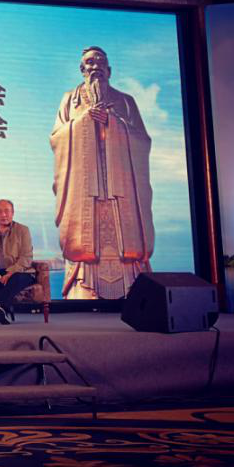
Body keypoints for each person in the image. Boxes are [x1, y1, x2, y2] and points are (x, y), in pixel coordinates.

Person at [50, 46, 154, 299]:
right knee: (86, 238)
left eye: (100, 62)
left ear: (109, 69)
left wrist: (112, 122)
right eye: (90, 62)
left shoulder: (126, 101)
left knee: (124, 239)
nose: (95, 66)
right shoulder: (70, 99)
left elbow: (142, 140)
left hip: (121, 188)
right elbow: (56, 138)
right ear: (82, 69)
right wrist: (84, 121)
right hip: (85, 187)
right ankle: (83, 282)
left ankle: (132, 283)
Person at [0, 199, 35, 325]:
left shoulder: (23, 230)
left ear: (13, 213)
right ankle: (1, 310)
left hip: (21, 271)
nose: (3, 215)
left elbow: (27, 257)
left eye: (7, 211)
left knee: (16, 279)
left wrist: (10, 272)